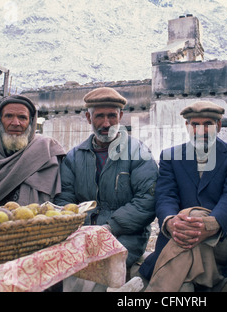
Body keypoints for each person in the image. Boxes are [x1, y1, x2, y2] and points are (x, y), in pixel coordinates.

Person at [139, 101, 227, 292]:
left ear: (219, 126)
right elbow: (166, 196)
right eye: (195, 124)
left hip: (222, 238)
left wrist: (210, 225)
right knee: (184, 287)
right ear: (187, 127)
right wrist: (171, 222)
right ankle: (208, 280)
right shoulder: (171, 156)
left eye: (208, 124)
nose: (202, 130)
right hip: (180, 234)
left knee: (195, 217)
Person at [54, 87, 158, 272]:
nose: (106, 123)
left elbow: (147, 200)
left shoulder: (138, 152)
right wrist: (80, 229)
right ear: (88, 118)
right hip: (82, 233)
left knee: (98, 268)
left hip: (126, 234)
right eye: (99, 116)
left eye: (112, 116)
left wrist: (110, 227)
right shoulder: (74, 157)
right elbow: (64, 199)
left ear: (121, 116)